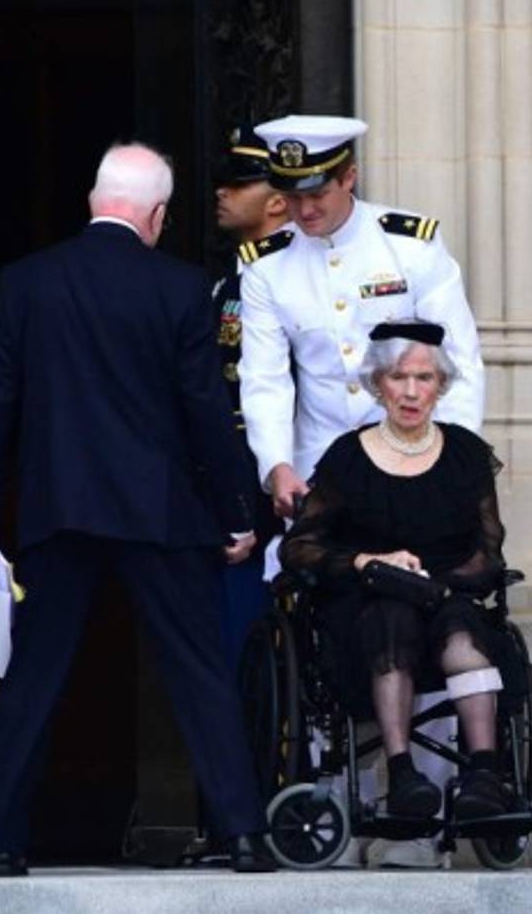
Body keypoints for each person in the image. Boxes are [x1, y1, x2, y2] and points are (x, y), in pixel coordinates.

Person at [0, 143, 273, 876]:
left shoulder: (25, 282)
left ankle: (4, 844)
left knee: (33, 676)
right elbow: (202, 410)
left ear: (95, 200)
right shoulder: (181, 288)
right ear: (156, 214)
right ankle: (245, 834)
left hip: (57, 508)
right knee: (199, 673)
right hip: (159, 512)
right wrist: (236, 512)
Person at [239, 114, 486, 867]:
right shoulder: (269, 267)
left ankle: (433, 813)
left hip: (417, 464)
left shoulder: (408, 246)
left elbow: (460, 360)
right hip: (332, 485)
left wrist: (455, 467)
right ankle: (337, 808)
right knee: (328, 623)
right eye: (290, 195)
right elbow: (265, 379)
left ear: (348, 177)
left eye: (316, 193)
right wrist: (275, 465)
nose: (303, 211)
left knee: (435, 613)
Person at [280, 320, 510, 823]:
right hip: (366, 604)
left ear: (441, 387)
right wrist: (368, 562)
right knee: (392, 621)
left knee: (463, 631)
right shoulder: (348, 458)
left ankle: (485, 775)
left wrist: (437, 582)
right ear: (377, 384)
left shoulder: (466, 455)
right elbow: (299, 548)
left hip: (445, 594)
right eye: (398, 377)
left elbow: (488, 551)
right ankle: (402, 773)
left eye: (425, 378)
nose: (411, 391)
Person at [210, 125, 289, 662]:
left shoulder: (288, 278)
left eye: (239, 183)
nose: (222, 192)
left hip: (279, 478)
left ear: (278, 199)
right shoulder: (228, 284)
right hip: (236, 477)